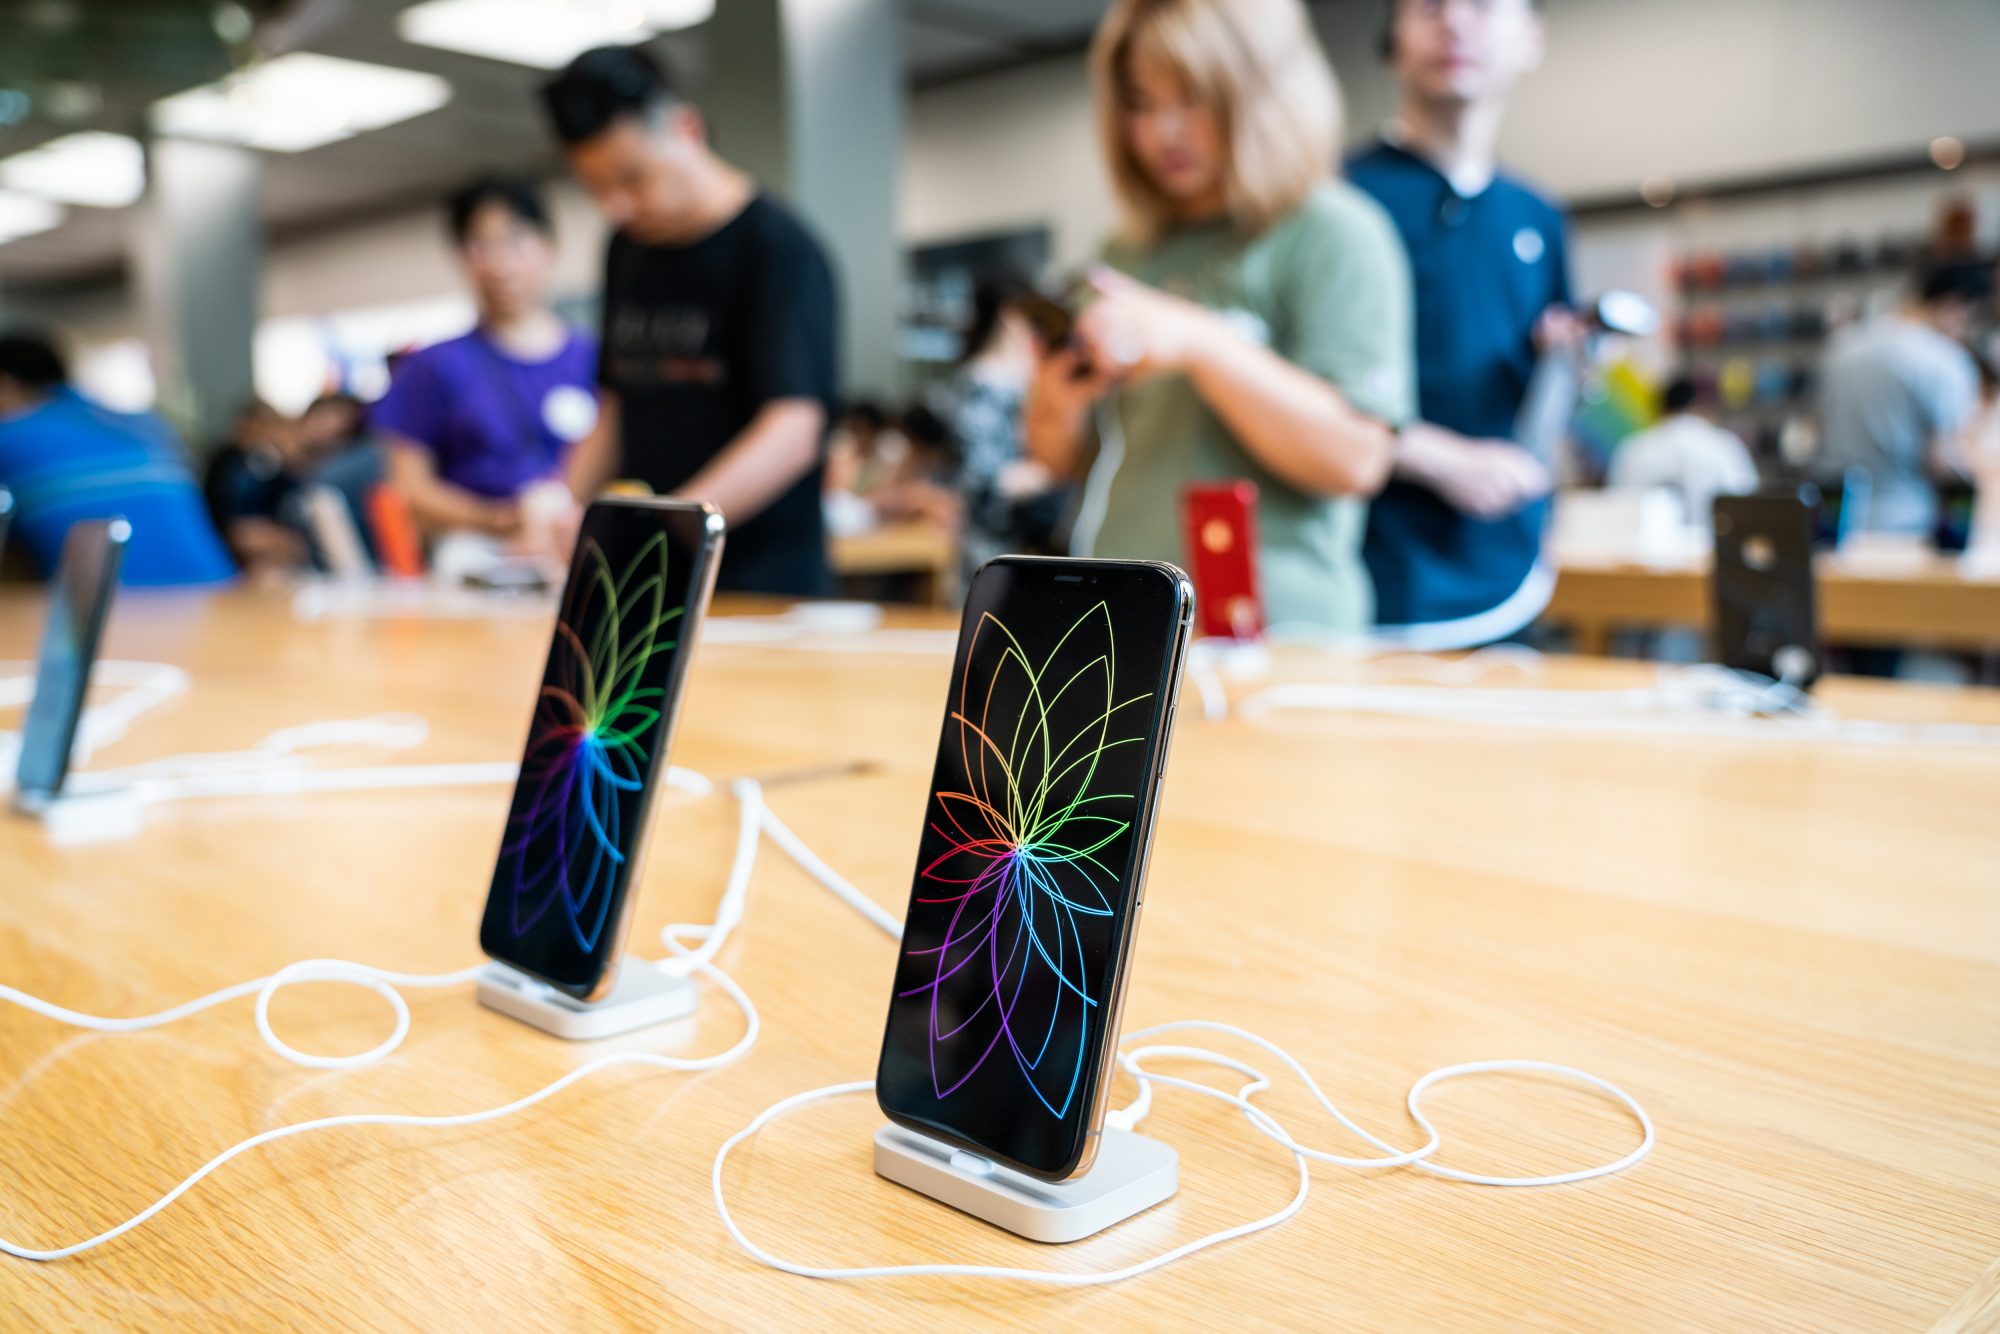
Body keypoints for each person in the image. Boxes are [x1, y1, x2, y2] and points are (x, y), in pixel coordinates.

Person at [1025, 0, 1412, 634]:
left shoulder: (1335, 233)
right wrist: (1055, 401)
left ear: (1259, 93)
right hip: (1124, 622)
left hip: (1279, 632)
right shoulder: (1124, 251)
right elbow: (1063, 460)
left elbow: (1356, 459)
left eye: (1192, 98)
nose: (1164, 132)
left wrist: (1202, 343)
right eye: (1141, 104)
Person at [540, 46, 839, 595]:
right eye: (597, 189)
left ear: (687, 129)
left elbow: (794, 427)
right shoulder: (627, 249)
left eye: (633, 178)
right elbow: (617, 403)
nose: (618, 206)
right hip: (655, 579)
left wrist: (666, 530)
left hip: (763, 581)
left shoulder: (776, 246)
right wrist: (563, 506)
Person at [1349, 0, 1574, 647]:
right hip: (1366, 578)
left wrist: (1567, 369)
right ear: (1392, 41)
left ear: (1529, 38)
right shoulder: (1341, 201)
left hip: (1507, 575)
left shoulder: (1538, 217)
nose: (1453, 22)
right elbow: (1291, 385)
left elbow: (1543, 399)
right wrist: (1434, 457)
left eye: (1481, 5)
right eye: (1427, 7)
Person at [371, 176, 598, 539]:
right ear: (462, 257)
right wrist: (500, 520)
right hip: (478, 545)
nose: (500, 264)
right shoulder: (434, 365)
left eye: (515, 242)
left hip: (578, 538)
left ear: (548, 247)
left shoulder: (595, 360)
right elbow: (409, 486)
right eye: (480, 246)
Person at [0, 330, 234, 587]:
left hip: (111, 605)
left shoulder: (9, 436)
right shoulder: (144, 424)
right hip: (226, 595)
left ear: (5, 383)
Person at [1815, 260, 1991, 535]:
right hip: (1908, 524)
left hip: (1835, 521)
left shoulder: (1841, 348)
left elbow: (1820, 429)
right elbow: (1943, 459)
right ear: (1954, 305)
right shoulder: (1945, 359)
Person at [948, 279, 1067, 568]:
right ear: (1010, 315)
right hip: (998, 549)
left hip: (1041, 539)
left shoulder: (1036, 377)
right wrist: (1056, 471)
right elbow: (982, 480)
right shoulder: (979, 386)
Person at [1608, 377, 1759, 527]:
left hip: (1645, 541)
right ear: (1701, 407)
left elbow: (1616, 507)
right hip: (1714, 540)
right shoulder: (1725, 445)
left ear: (1661, 409)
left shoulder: (1634, 448)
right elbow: (1746, 501)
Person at [204, 398, 310, 575]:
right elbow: (232, 519)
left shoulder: (270, 461)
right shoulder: (230, 462)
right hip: (229, 537)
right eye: (262, 424)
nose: (265, 431)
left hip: (268, 532)